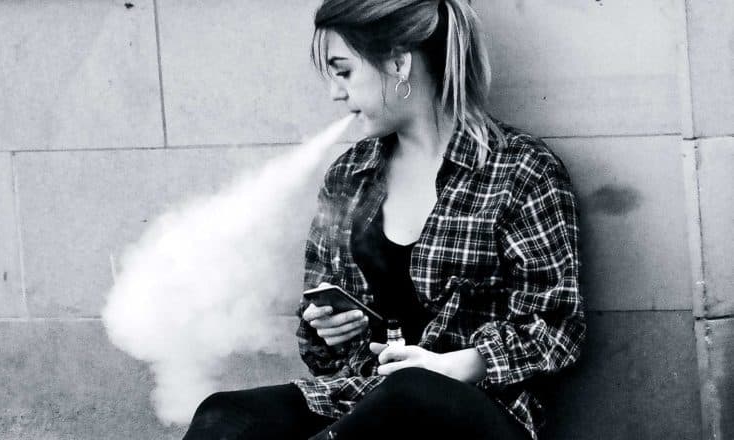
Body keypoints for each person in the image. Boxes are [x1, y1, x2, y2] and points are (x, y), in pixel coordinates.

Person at [183, 0, 585, 439]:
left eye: (344, 71)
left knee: (410, 393)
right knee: (225, 416)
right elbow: (320, 349)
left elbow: (557, 329)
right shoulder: (349, 174)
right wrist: (329, 330)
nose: (336, 94)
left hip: (477, 414)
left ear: (398, 63)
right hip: (363, 401)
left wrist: (456, 365)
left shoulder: (521, 170)